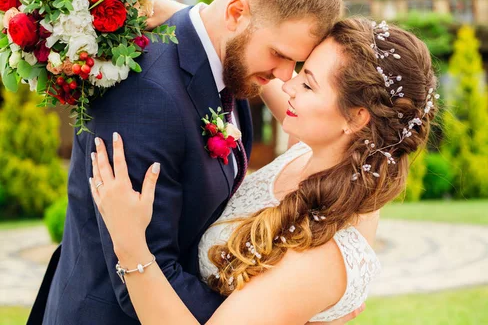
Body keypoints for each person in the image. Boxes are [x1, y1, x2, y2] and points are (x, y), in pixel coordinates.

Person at [28, 0, 343, 325]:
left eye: (297, 61)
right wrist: (272, 314)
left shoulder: (231, 67)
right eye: (279, 54)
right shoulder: (147, 96)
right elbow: (145, 272)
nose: (284, 76)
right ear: (236, 13)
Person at [89, 17, 438, 324]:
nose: (288, 85)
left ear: (355, 118)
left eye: (309, 83)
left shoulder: (319, 256)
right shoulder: (311, 155)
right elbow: (255, 59)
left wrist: (130, 243)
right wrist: (186, 13)